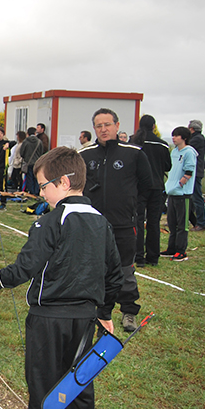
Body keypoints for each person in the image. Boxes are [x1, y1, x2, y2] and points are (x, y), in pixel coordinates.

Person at [0, 146, 122, 409]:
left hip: (49, 320)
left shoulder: (51, 221)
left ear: (64, 183)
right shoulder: (102, 222)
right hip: (85, 319)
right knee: (79, 382)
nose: (41, 193)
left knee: (43, 385)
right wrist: (104, 312)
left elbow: (22, 270)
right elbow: (114, 275)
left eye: (44, 185)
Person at [79, 108, 152, 333]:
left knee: (124, 270)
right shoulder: (85, 155)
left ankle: (129, 311)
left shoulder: (133, 153)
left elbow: (147, 186)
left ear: (117, 126)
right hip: (95, 225)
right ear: (94, 129)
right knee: (96, 269)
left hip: (123, 224)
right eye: (99, 126)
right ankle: (101, 311)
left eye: (107, 124)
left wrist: (133, 210)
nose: (103, 129)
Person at [131, 115, 171, 267]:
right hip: (157, 186)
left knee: (138, 221)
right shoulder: (162, 145)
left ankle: (138, 256)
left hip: (139, 187)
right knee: (154, 222)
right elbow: (168, 166)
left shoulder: (135, 142)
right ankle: (153, 257)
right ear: (154, 126)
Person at [161, 127, 197, 261]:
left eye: (176, 136)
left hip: (183, 194)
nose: (174, 138)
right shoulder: (174, 152)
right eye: (173, 135)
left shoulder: (189, 152)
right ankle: (171, 248)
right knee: (172, 223)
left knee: (182, 224)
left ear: (184, 138)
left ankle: (181, 251)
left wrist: (179, 184)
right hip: (172, 193)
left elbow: (189, 171)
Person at [188, 120, 205, 231]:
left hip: (195, 172)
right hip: (196, 171)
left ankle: (201, 223)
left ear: (192, 129)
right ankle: (192, 220)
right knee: (191, 199)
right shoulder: (199, 138)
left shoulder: (197, 139)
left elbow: (186, 146)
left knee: (197, 198)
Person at [19, 128, 45, 195]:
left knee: (29, 178)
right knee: (36, 178)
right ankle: (36, 192)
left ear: (28, 133)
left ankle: (31, 192)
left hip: (28, 163)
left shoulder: (25, 142)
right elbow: (41, 152)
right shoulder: (39, 142)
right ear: (35, 133)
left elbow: (21, 153)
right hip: (37, 163)